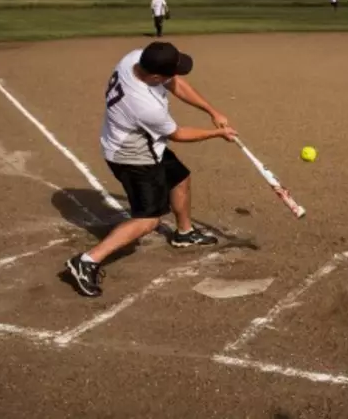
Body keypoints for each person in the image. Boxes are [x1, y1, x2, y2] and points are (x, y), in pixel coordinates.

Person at [65, 41, 237, 298]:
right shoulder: (145, 105)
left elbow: (175, 82)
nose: (175, 75)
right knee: (148, 219)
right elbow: (177, 133)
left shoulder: (135, 59)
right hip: (132, 155)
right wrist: (217, 133)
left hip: (145, 142)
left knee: (180, 178)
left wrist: (212, 111)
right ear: (155, 76)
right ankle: (87, 261)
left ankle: (184, 233)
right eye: (171, 71)